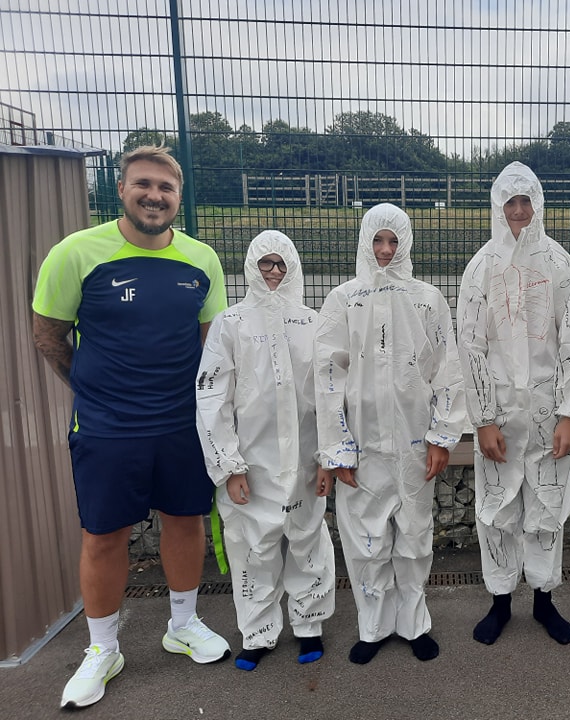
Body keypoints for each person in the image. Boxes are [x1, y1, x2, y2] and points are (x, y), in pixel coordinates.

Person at [32, 145, 230, 709]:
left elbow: (209, 347)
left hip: (180, 424)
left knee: (185, 521)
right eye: (143, 184)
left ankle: (183, 625)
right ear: (120, 189)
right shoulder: (75, 253)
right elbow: (48, 336)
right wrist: (97, 391)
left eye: (166, 188)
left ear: (177, 197)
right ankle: (102, 649)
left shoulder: (202, 260)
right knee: (104, 534)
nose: (154, 196)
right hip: (106, 425)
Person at [315, 203, 465, 665]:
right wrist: (337, 448)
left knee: (415, 537)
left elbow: (447, 371)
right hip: (362, 448)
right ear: (365, 242)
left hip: (414, 446)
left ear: (406, 244)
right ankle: (374, 626)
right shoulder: (344, 300)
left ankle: (414, 622)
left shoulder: (427, 299)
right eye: (377, 241)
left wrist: (442, 437)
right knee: (366, 542)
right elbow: (326, 376)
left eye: (393, 241)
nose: (384, 251)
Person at [457, 162, 570, 646]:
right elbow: (470, 347)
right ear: (498, 207)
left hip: (548, 416)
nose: (518, 211)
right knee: (496, 511)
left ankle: (544, 601)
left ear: (538, 205)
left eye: (525, 201)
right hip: (500, 420)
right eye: (510, 202)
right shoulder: (482, 268)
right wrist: (484, 420)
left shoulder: (560, 265)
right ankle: (499, 602)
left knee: (547, 508)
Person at [195, 230, 336, 671]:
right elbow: (212, 397)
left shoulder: (311, 323)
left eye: (282, 264)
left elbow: (329, 395)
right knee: (251, 548)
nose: (274, 273)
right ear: (252, 268)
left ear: (293, 268)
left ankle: (309, 625)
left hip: (304, 462)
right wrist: (228, 465)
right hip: (251, 464)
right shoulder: (231, 324)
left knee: (307, 540)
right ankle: (257, 633)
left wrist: (327, 457)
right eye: (266, 264)